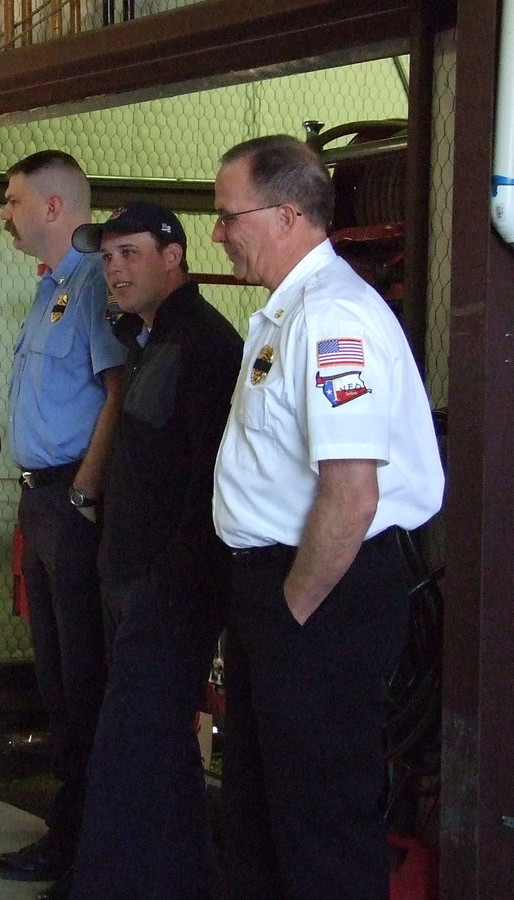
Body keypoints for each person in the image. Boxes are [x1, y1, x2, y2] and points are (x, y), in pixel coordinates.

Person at [210, 135, 444, 899]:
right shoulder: (287, 314)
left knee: (319, 821)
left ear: (286, 215)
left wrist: (291, 613)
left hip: (320, 592)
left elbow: (352, 495)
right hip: (277, 590)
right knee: (259, 807)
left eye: (227, 216)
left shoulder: (334, 320)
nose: (217, 233)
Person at [58, 202, 243, 900]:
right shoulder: (151, 339)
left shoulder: (207, 346)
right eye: (107, 258)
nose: (114, 269)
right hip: (132, 581)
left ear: (174, 257)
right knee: (160, 755)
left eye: (129, 254)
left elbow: (209, 482)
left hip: (168, 592)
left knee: (129, 753)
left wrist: (166, 581)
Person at [0, 150, 125, 885]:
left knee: (82, 677)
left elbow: (118, 389)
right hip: (40, 498)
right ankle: (69, 831)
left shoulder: (98, 285)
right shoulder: (50, 290)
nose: (3, 214)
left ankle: (83, 841)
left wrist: (85, 493)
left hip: (71, 501)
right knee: (53, 674)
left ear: (52, 207)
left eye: (13, 201)